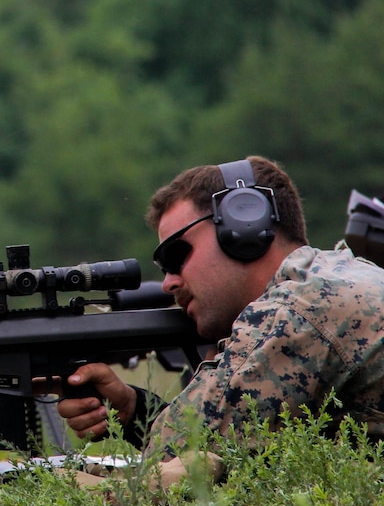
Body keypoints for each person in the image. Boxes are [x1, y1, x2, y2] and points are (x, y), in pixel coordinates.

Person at [57, 156, 384, 462]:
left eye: (176, 256)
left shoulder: (298, 309)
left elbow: (182, 454)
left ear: (243, 228)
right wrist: (131, 409)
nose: (169, 283)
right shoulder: (337, 277)